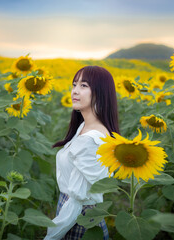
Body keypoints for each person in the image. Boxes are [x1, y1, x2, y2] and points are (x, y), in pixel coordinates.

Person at [44, 66, 119, 240]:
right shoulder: (84, 127)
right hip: (71, 212)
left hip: (78, 219)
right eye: (74, 85)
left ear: (101, 92)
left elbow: (79, 200)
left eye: (84, 85)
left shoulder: (91, 140)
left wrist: (52, 235)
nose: (75, 91)